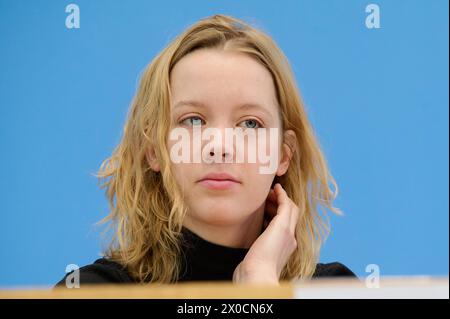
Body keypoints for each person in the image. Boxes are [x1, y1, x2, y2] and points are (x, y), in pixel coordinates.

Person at [56, 14, 356, 288]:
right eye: (193, 120)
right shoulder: (92, 290)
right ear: (154, 150)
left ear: (283, 155)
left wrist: (260, 281)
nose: (220, 147)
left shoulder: (334, 289)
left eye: (250, 123)